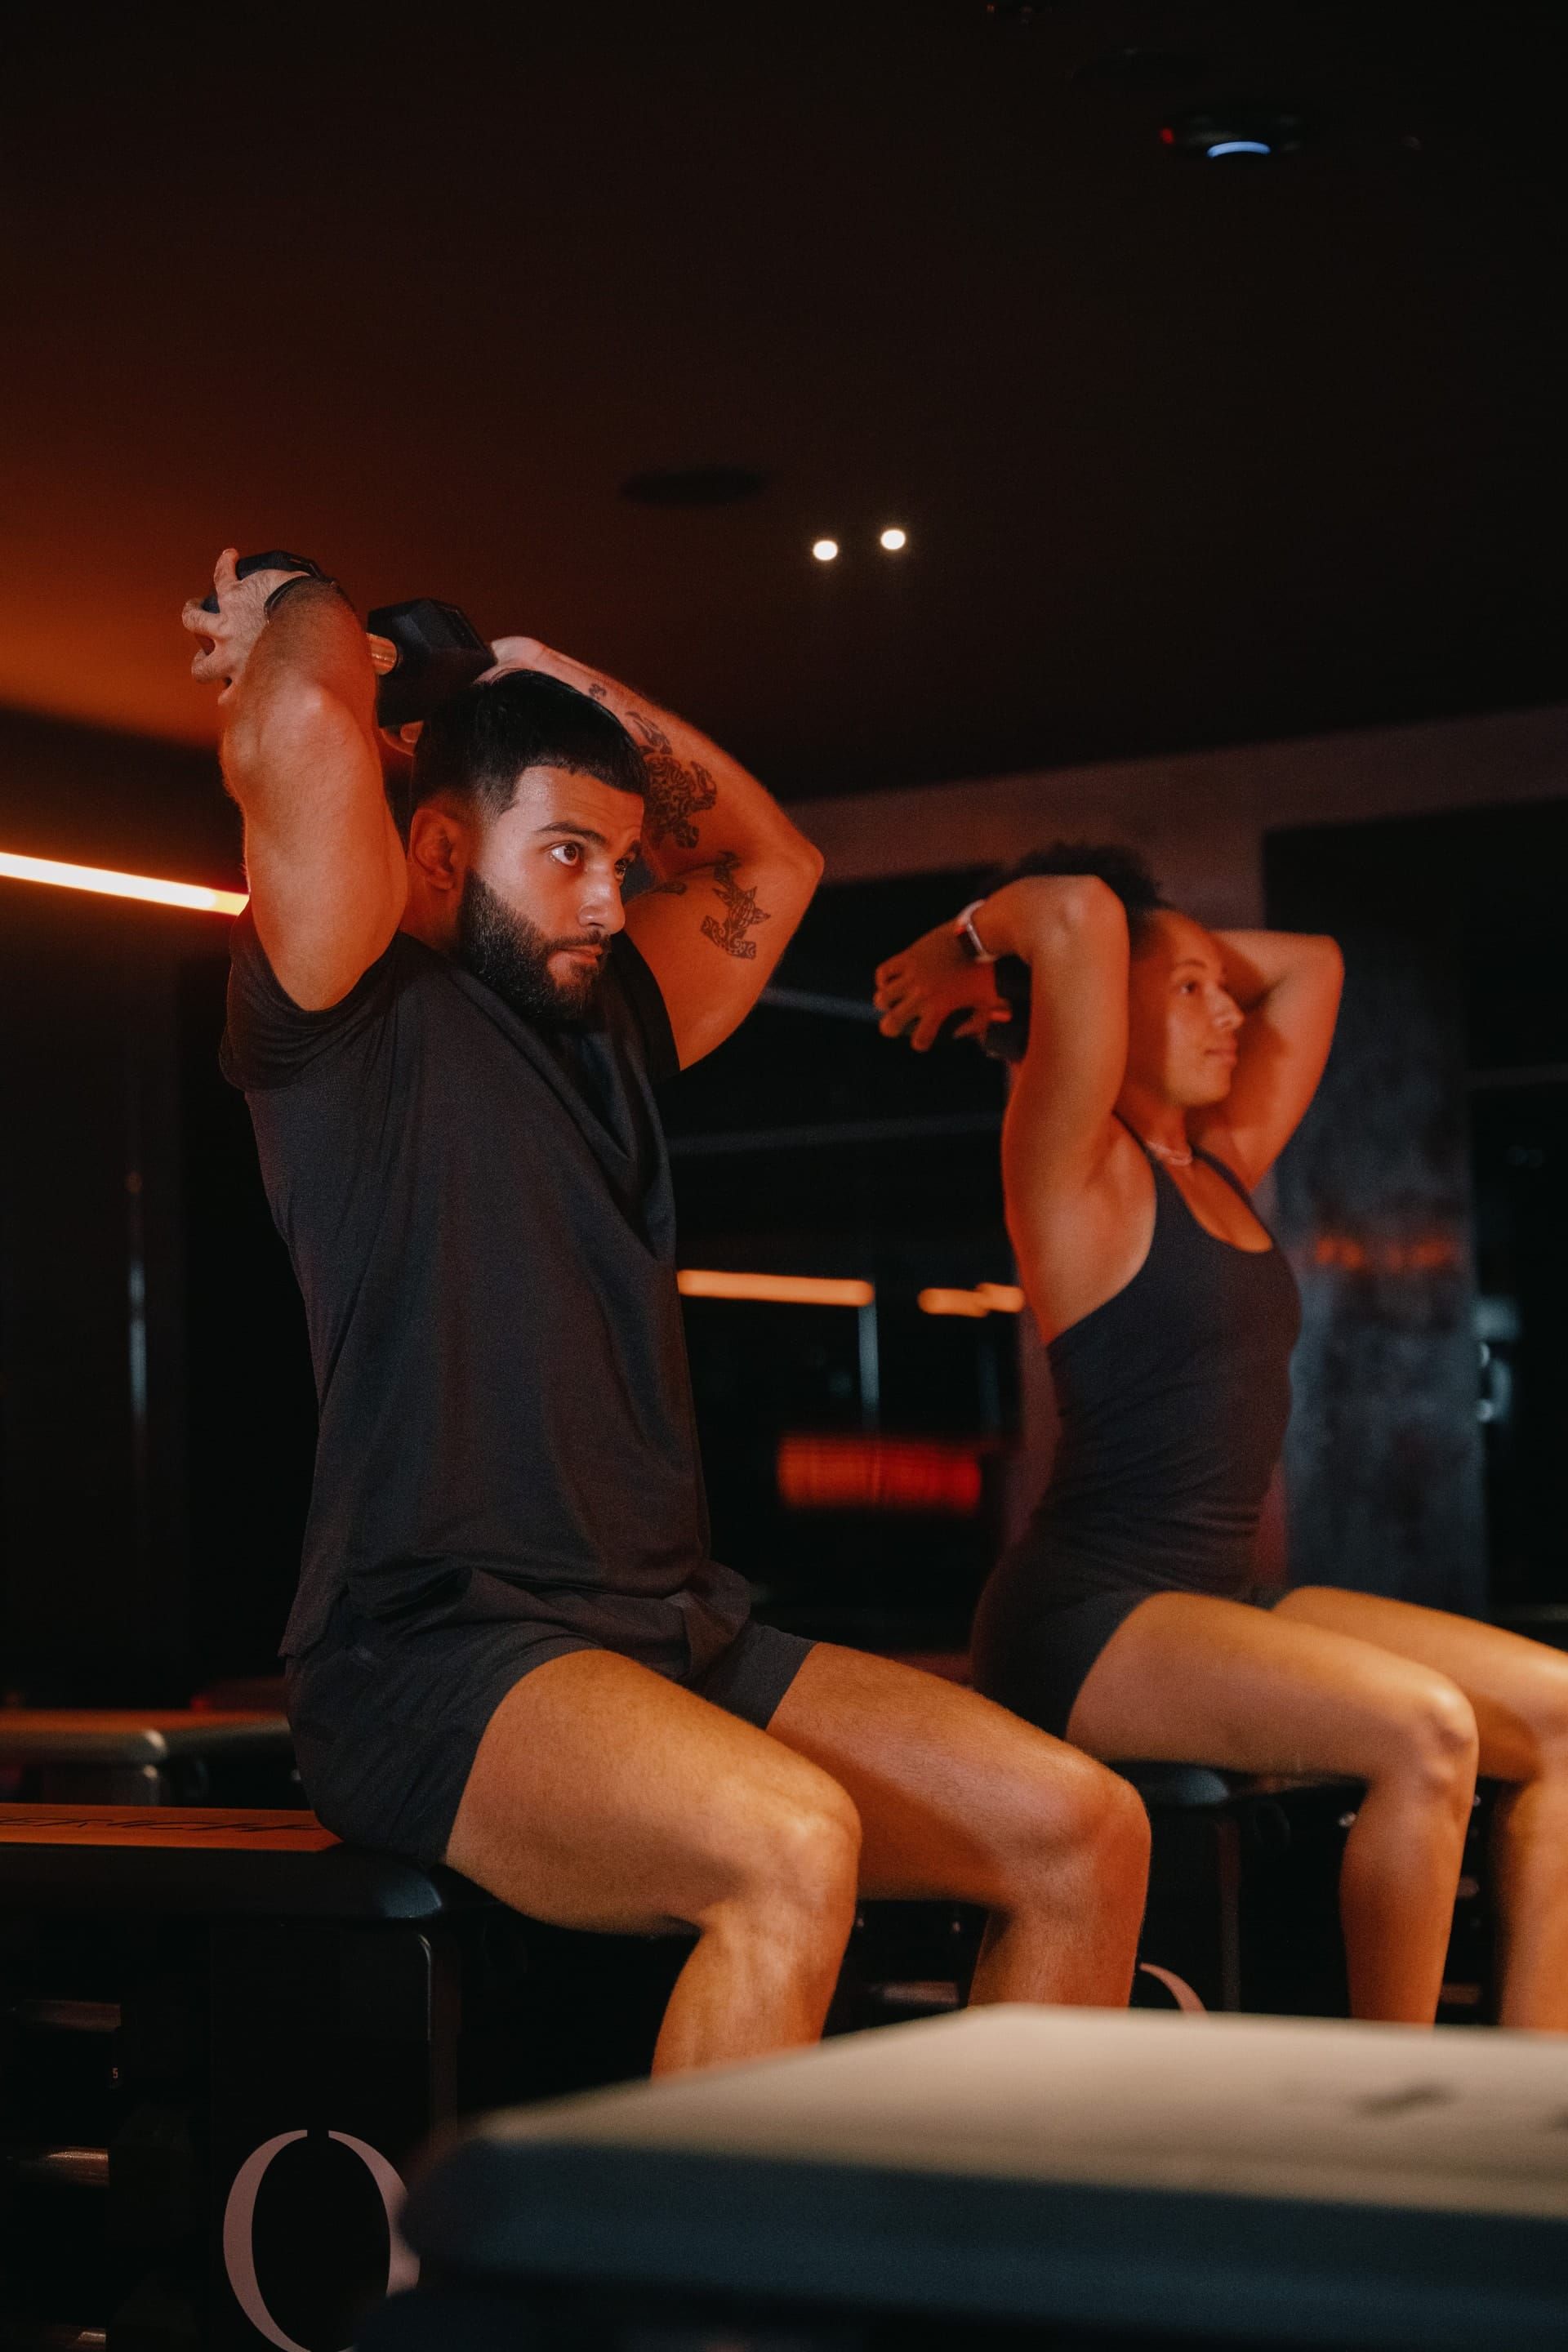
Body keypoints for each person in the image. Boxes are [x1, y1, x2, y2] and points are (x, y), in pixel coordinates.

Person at [182, 555, 1149, 2073]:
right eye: (569, 853)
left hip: (670, 1629)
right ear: (436, 849)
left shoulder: (613, 1025)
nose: (607, 899)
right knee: (788, 1847)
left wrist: (543, 668)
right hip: (436, 1658)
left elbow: (776, 860)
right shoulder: (343, 1018)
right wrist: (310, 603)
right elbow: (301, 718)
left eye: (622, 863)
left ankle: (983, 2222)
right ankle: (710, 2242)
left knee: (1084, 1830)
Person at [873, 844, 1568, 2029]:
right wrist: (974, 944)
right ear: (1100, 999)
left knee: (1557, 1713)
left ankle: (1535, 2077)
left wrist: (1165, 950)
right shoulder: (1073, 1164)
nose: (1230, 1009)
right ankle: (1386, 2099)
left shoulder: (1222, 1161)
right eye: (1189, 989)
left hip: (1218, 1596)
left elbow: (1314, 968)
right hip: (1088, 1615)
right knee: (1427, 1731)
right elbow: (1078, 913)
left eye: (1218, 984)